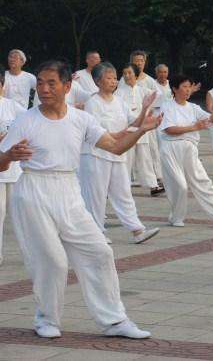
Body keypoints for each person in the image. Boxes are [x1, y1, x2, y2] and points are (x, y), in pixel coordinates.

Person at [0, 60, 155, 339]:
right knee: (52, 260)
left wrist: (142, 130)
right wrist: (9, 156)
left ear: (67, 86)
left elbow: (116, 147)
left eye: (51, 83)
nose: (44, 89)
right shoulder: (26, 119)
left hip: (69, 189)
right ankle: (47, 318)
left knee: (99, 251)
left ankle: (114, 320)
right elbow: (0, 161)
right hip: (34, 191)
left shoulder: (80, 119)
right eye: (41, 84)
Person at [79, 62, 160, 244]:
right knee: (96, 196)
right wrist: (123, 134)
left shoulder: (119, 102)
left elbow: (135, 123)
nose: (114, 81)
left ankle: (137, 230)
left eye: (115, 78)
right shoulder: (93, 103)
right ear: (98, 81)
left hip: (117, 155)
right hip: (95, 155)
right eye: (109, 78)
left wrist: (145, 109)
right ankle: (96, 233)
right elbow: (98, 132)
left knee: (123, 193)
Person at [159, 74, 213, 228]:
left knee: (203, 181)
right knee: (180, 185)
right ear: (175, 89)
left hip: (190, 148)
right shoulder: (167, 106)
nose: (187, 90)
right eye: (184, 86)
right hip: (170, 148)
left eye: (189, 87)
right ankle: (176, 217)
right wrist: (193, 127)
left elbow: (211, 119)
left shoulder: (193, 108)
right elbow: (169, 129)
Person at [116, 64, 164, 196]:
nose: (127, 76)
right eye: (124, 73)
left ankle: (153, 185)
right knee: (126, 160)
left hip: (142, 128)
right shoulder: (119, 92)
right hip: (127, 129)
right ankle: (122, 187)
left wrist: (151, 110)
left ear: (136, 75)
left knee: (145, 158)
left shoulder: (143, 90)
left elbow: (159, 94)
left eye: (130, 73)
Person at [0, 73, 26, 264]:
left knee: (20, 214)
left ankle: (30, 253)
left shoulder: (12, 106)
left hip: (14, 170)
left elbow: (28, 124)